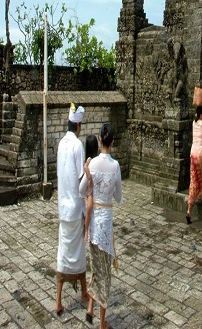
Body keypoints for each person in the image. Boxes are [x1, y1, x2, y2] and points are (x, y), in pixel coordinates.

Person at [79, 123, 122, 329]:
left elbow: (82, 190)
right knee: (105, 273)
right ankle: (102, 322)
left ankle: (90, 309)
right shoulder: (114, 166)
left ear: (99, 138)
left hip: (93, 224)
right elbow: (119, 197)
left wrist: (90, 178)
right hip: (105, 222)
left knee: (96, 268)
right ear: (112, 141)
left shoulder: (92, 163)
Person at [55, 103, 89, 315]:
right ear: (77, 125)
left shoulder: (60, 144)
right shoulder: (77, 146)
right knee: (78, 252)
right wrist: (89, 173)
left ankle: (59, 299)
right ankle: (84, 292)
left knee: (64, 251)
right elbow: (80, 178)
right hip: (75, 206)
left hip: (62, 205)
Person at [83, 134, 99, 243]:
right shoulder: (90, 159)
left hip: (94, 186)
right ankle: (86, 230)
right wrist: (89, 178)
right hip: (90, 188)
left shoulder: (96, 159)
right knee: (89, 206)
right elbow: (85, 167)